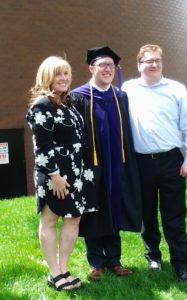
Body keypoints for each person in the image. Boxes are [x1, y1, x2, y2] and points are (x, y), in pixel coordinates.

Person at [122, 44, 187, 283]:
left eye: (157, 60)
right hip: (140, 163)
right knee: (147, 214)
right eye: (148, 61)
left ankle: (181, 264)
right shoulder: (128, 89)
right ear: (139, 64)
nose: (154, 64)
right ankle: (153, 256)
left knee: (174, 215)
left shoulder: (176, 89)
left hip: (171, 161)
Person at [70, 46, 142, 281]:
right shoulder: (79, 96)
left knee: (115, 209)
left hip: (117, 164)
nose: (108, 69)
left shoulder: (120, 96)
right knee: (94, 211)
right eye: (103, 65)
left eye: (111, 65)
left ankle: (114, 260)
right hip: (92, 166)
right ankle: (95, 262)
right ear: (91, 68)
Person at [26, 56, 97, 291]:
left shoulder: (69, 103)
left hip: (75, 172)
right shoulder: (42, 105)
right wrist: (54, 175)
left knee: (74, 218)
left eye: (66, 73)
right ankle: (54, 272)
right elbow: (42, 145)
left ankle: (64, 268)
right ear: (47, 77)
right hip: (54, 174)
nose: (64, 78)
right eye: (58, 74)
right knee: (50, 219)